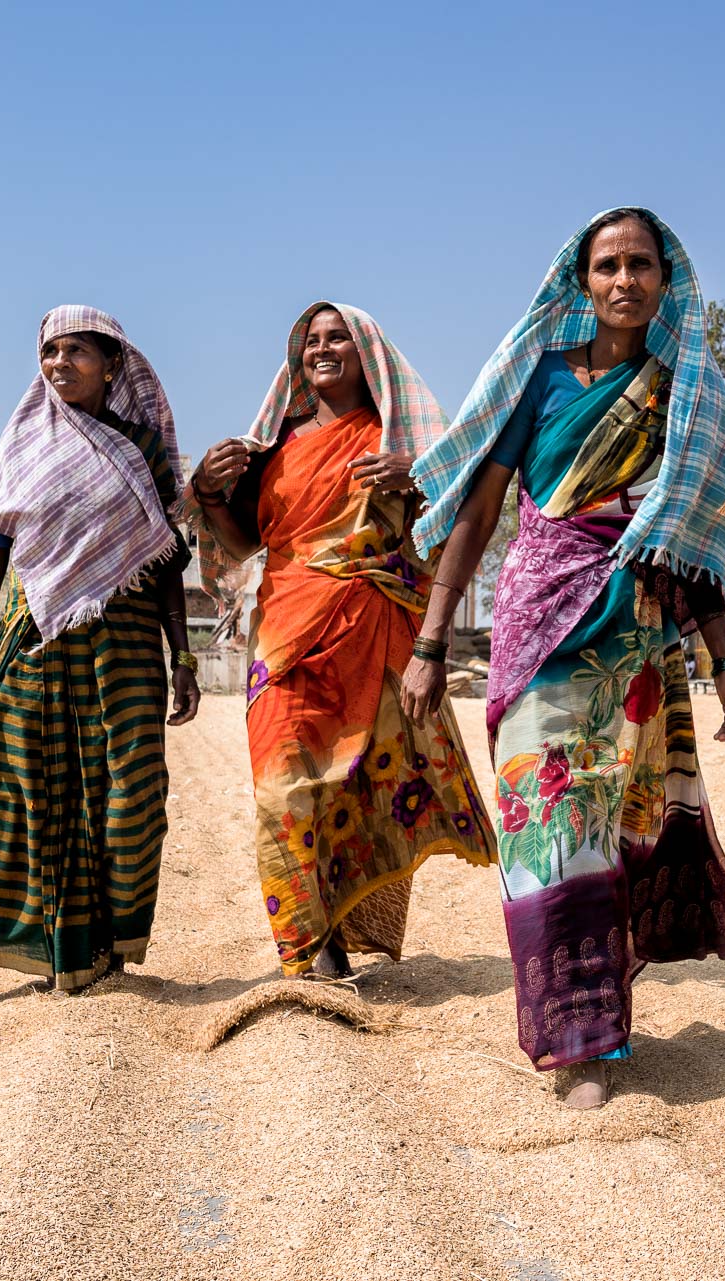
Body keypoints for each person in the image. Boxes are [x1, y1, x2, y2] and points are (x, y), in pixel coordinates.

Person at [406, 208, 725, 1108]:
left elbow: (690, 534)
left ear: (665, 278)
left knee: (611, 831)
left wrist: (724, 658)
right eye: (607, 265)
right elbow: (480, 511)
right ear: (580, 282)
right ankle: (571, 1035)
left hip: (640, 640)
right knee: (545, 832)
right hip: (538, 626)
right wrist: (431, 637)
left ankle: (598, 1028)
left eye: (640, 263)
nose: (624, 280)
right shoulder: (539, 379)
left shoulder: (690, 393)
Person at [190, 302, 496, 980]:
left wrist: (416, 476)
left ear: (370, 356)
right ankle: (306, 948)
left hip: (372, 634)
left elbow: (460, 523)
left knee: (351, 789)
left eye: (339, 339)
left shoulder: (399, 445)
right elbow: (248, 544)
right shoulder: (275, 446)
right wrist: (210, 494)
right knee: (283, 789)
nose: (322, 350)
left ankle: (332, 940)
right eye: (311, 341)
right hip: (284, 632)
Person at [0, 305, 200, 992]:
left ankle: (110, 942)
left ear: (112, 363)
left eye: (76, 351)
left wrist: (184, 656)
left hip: (128, 645)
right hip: (40, 642)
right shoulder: (23, 444)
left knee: (131, 799)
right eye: (49, 352)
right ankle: (56, 953)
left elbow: (166, 556)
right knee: (34, 792)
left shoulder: (141, 447)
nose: (59, 365)